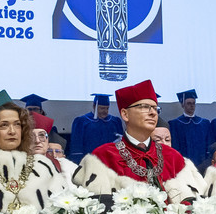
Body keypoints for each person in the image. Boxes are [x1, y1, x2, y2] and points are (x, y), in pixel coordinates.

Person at [74, 81, 206, 202]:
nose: (153, 113)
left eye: (155, 108)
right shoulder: (103, 157)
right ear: (125, 114)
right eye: (145, 107)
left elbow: (192, 205)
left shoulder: (173, 157)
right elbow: (97, 209)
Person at [69, 93, 123, 162]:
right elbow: (76, 146)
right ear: (94, 106)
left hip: (110, 161)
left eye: (107, 108)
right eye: (102, 108)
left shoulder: (115, 122)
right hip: (90, 160)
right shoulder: (82, 121)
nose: (105, 111)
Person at [170, 89, 213, 167]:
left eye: (193, 103)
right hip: (183, 161)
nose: (192, 106)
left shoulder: (204, 123)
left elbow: (209, 143)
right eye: (189, 103)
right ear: (182, 105)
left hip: (202, 162)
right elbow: (175, 145)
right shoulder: (174, 124)